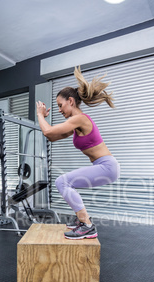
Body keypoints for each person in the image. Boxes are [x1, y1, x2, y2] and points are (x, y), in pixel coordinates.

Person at [36, 66, 120, 239]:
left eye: (61, 105)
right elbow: (52, 137)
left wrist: (40, 115)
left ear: (71, 102)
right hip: (103, 166)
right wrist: (44, 121)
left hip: (107, 166)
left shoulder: (80, 118)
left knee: (62, 182)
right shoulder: (76, 124)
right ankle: (83, 221)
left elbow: (48, 131)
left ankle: (87, 225)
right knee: (66, 183)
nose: (59, 110)